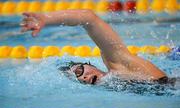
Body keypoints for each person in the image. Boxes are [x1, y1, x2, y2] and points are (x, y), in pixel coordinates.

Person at [21, 10, 168, 85]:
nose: (83, 77)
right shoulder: (114, 88)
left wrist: (47, 18)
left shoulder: (118, 63)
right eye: (78, 78)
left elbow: (89, 18)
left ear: (90, 64)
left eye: (79, 70)